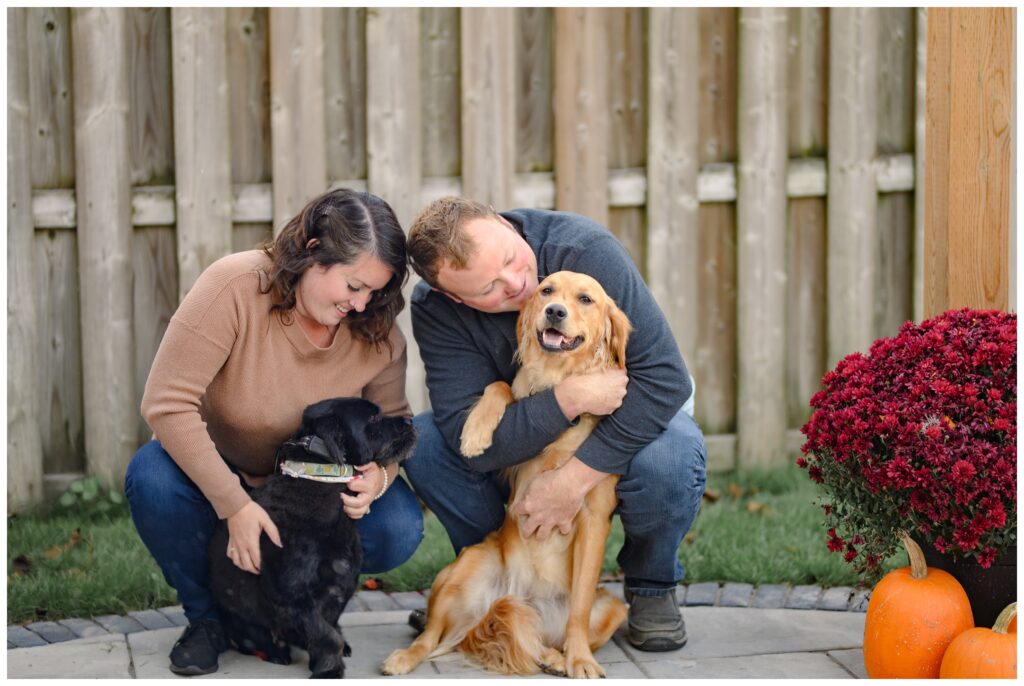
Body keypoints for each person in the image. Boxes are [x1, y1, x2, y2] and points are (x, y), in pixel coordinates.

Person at [125, 188, 423, 676]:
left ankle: (306, 616)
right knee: (151, 479)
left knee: (398, 528)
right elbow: (165, 403)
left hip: (315, 497)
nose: (362, 302)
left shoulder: (375, 329)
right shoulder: (236, 287)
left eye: (375, 291)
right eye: (353, 286)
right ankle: (209, 620)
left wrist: (382, 478)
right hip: (224, 475)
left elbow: (398, 424)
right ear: (312, 252)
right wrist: (234, 504)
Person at [403, 196, 707, 652]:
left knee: (672, 456)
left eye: (510, 258)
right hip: (524, 440)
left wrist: (573, 480)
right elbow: (471, 439)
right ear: (452, 296)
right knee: (425, 444)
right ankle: (498, 581)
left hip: (630, 414)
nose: (518, 284)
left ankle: (651, 587)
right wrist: (569, 397)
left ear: (504, 224)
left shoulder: (583, 250)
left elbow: (664, 380)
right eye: (488, 288)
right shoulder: (435, 308)